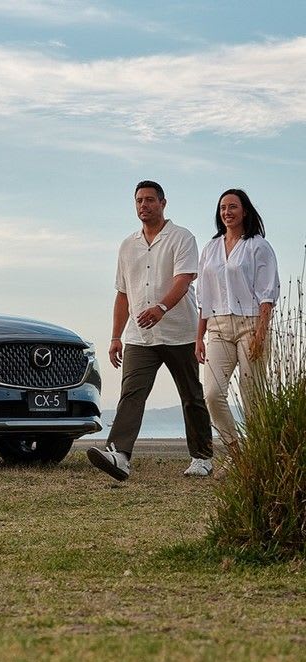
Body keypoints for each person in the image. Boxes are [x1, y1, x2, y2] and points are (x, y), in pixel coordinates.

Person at [88, 180, 213, 483]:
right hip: (139, 337)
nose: (144, 206)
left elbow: (183, 281)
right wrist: (116, 336)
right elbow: (122, 294)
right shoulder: (127, 245)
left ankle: (202, 457)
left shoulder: (182, 238)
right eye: (139, 201)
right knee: (131, 394)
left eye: (149, 200)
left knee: (191, 395)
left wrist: (161, 308)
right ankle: (119, 455)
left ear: (163, 203)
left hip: (179, 332)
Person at [195, 189, 279, 448]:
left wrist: (260, 333)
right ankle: (237, 454)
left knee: (252, 395)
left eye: (232, 207)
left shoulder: (258, 246)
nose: (227, 212)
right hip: (218, 327)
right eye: (223, 208)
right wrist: (199, 337)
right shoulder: (211, 248)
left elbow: (267, 295)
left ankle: (259, 453)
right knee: (211, 393)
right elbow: (204, 297)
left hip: (251, 325)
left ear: (244, 211)